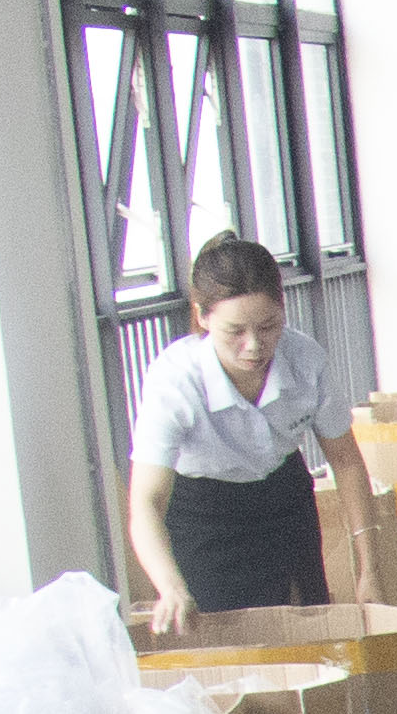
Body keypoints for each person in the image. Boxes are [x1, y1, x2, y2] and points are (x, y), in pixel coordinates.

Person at [124, 233, 374, 625]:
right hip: (204, 510)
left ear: (283, 308)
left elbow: (346, 462)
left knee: (305, 627)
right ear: (202, 317)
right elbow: (147, 500)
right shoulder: (175, 381)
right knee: (221, 634)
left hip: (284, 495)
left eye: (269, 326)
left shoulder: (305, 360)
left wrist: (370, 569)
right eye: (235, 331)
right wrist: (169, 586)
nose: (254, 345)